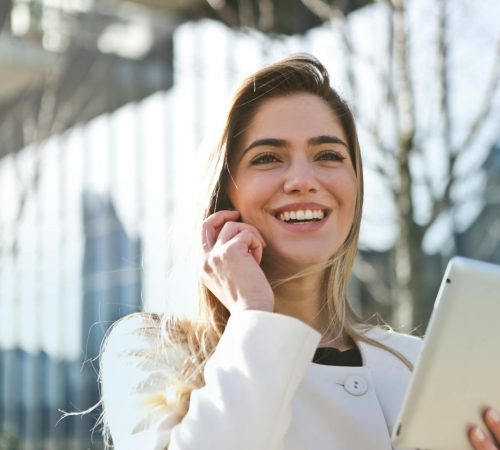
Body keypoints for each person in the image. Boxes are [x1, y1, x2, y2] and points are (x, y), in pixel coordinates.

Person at [99, 54, 500, 450]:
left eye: (328, 155)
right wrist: (254, 314)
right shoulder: (152, 352)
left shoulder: (419, 366)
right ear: (222, 193)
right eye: (268, 158)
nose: (303, 181)